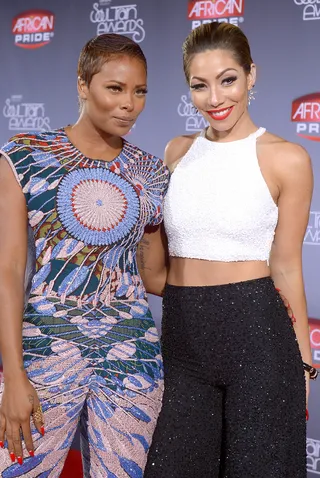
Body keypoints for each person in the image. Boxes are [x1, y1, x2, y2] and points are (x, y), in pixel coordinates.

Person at [144, 22, 316, 477]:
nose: (215, 99)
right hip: (183, 341)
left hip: (259, 341)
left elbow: (287, 268)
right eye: (200, 86)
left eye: (228, 80)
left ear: (251, 75)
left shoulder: (288, 158)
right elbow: (155, 267)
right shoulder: (176, 152)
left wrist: (304, 362)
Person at [0, 33, 169, 477]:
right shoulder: (25, 156)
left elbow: (155, 275)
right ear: (82, 85)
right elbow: (9, 271)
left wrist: (245, 283)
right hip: (44, 351)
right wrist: (14, 376)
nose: (129, 104)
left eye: (139, 91)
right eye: (115, 88)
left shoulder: (149, 171)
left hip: (132, 357)